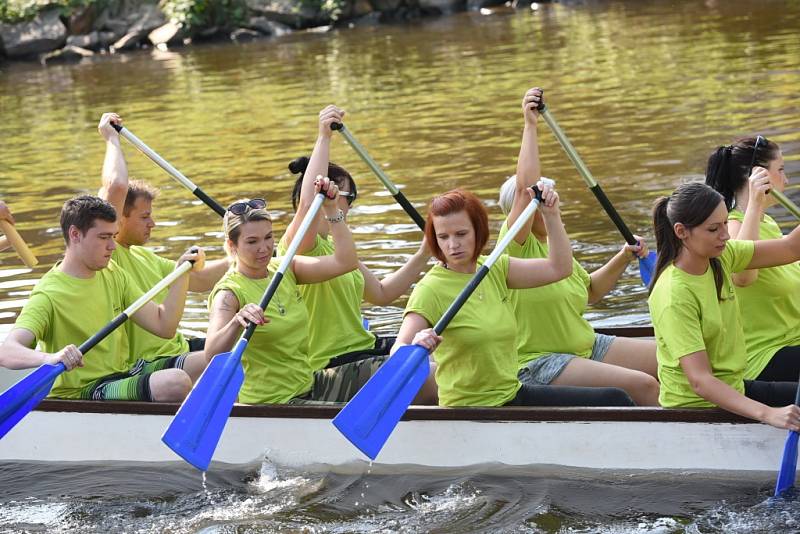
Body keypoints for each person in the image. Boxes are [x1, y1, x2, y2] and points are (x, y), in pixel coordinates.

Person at [395, 187, 634, 408]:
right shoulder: (430, 289)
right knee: (616, 399)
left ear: (478, 231)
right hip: (470, 409)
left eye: (461, 233)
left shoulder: (493, 268)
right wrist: (418, 342)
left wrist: (552, 215)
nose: (453, 245)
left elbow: (559, 268)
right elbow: (398, 349)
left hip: (512, 394)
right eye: (443, 237)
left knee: (615, 398)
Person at [205, 179, 437, 404]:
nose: (264, 248)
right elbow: (211, 354)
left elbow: (346, 261)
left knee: (410, 369)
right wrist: (237, 321)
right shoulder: (229, 292)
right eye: (252, 241)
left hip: (311, 384)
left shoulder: (285, 268)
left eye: (268, 237)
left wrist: (332, 209)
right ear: (232, 245)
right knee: (414, 378)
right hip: (276, 402)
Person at [497, 88, 659, 406]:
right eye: (539, 197)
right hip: (539, 362)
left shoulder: (555, 243)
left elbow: (590, 292)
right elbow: (523, 189)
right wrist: (530, 126)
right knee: (644, 386)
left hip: (585, 344)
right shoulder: (513, 246)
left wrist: (623, 257)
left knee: (676, 356)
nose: (549, 201)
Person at [0, 195, 203, 402]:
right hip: (86, 390)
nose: (112, 246)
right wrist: (50, 358)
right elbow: (7, 351)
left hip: (127, 372)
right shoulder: (49, 294)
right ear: (75, 234)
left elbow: (164, 326)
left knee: (215, 355)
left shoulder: (113, 273)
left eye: (113, 236)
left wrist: (181, 274)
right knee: (176, 382)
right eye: (103, 237)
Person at [281, 105, 431, 371]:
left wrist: (424, 253)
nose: (349, 206)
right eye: (347, 197)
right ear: (325, 192)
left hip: (363, 348)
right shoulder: (297, 245)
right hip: (329, 363)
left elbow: (383, 293)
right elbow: (307, 206)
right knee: (427, 371)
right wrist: (324, 137)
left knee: (443, 347)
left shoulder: (339, 248)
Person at [649, 182, 800, 430]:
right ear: (681, 231)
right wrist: (769, 414)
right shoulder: (674, 294)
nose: (726, 235)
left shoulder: (721, 257)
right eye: (713, 229)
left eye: (725, 224)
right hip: (698, 407)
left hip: (735, 385)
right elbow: (700, 381)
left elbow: (791, 248)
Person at [97, 113, 230, 380]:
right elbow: (116, 186)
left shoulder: (145, 257)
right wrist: (111, 138)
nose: (153, 224)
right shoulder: (106, 255)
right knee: (229, 359)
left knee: (254, 343)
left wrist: (242, 255)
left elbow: (201, 280)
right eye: (145, 217)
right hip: (149, 364)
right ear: (119, 217)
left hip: (179, 348)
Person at [705, 136, 800, 382]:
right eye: (780, 170)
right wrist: (755, 201)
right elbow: (743, 276)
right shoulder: (733, 227)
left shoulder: (768, 222)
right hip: (765, 356)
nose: (786, 179)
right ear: (758, 175)